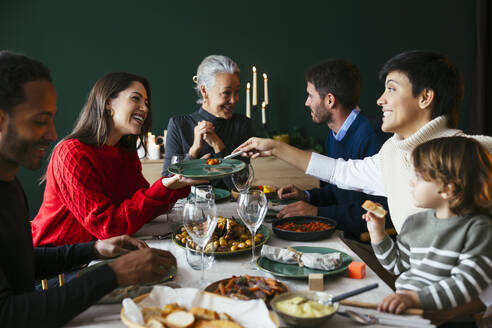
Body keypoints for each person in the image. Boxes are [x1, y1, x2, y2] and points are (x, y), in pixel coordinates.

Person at [234, 50, 492, 317]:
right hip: (408, 291)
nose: (380, 100)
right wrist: (275, 147)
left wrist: (443, 313)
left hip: (452, 310)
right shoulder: (393, 151)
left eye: (391, 89)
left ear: (425, 97)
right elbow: (340, 172)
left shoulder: (478, 154)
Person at [0, 51, 179, 327]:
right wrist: (112, 274)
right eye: (40, 120)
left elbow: (21, 263)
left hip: (70, 266)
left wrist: (95, 249)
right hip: (55, 282)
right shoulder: (71, 153)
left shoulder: (9, 185)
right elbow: (9, 313)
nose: (52, 134)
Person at [32, 71, 203, 247]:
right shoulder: (72, 153)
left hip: (101, 252)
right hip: (60, 262)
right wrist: (163, 187)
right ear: (107, 103)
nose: (145, 109)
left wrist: (176, 184)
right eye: (135, 99)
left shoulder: (124, 152)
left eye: (146, 103)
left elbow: (142, 210)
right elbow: (107, 228)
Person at [364, 136, 492, 314]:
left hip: (447, 317)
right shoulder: (415, 222)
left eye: (418, 176)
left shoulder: (478, 228)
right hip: (407, 306)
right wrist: (377, 232)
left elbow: (469, 282)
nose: (411, 182)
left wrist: (414, 299)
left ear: (447, 189)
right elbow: (396, 265)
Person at [275, 59, 392, 241]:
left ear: (330, 100)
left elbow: (381, 209)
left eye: (310, 96)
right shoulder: (335, 134)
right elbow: (341, 193)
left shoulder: (372, 136)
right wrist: (307, 196)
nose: (307, 103)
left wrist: (317, 212)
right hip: (341, 233)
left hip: (367, 244)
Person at [162, 55, 253, 188]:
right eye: (227, 93)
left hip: (232, 207)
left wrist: (219, 146)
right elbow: (167, 184)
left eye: (237, 91)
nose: (234, 100)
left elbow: (241, 186)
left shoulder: (242, 125)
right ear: (204, 91)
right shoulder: (179, 125)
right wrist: (193, 152)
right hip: (189, 207)